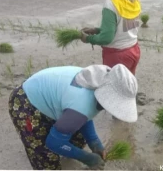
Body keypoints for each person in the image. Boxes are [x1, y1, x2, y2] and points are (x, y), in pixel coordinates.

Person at [8, 64, 138, 170]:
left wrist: (94, 142)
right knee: (45, 154)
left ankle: (67, 151)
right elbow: (54, 142)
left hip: (52, 95)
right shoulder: (81, 104)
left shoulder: (96, 81)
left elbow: (84, 116)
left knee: (77, 136)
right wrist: (86, 158)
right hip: (26, 103)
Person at [80, 0, 141, 75]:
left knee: (114, 88)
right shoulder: (134, 1)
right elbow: (126, 28)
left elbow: (107, 38)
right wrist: (98, 30)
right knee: (128, 85)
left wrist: (88, 38)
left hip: (117, 56)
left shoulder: (111, 4)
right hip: (134, 50)